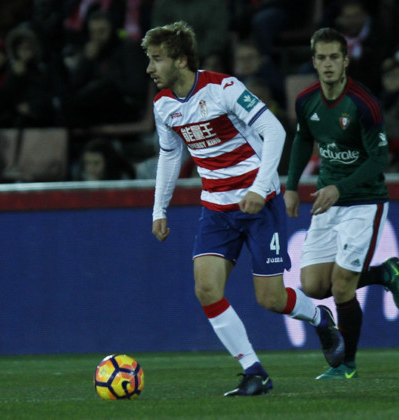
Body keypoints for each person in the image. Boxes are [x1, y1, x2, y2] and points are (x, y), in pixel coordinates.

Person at [142, 21, 345, 397]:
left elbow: (275, 131)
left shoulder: (224, 88)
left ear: (181, 60)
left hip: (259, 204)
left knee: (270, 299)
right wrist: (159, 209)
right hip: (216, 209)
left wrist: (258, 187)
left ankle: (320, 317)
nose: (150, 68)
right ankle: (254, 370)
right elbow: (170, 154)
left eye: (157, 60)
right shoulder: (164, 104)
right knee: (206, 288)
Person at [284, 28, 399, 380]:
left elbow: (378, 158)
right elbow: (302, 139)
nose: (327, 64)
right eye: (321, 58)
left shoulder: (363, 103)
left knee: (341, 287)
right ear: (313, 61)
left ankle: (346, 364)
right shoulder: (306, 100)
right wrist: (291, 186)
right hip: (328, 201)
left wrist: (339, 188)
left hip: (363, 202)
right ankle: (384, 273)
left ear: (345, 60)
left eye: (333, 57)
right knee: (311, 287)